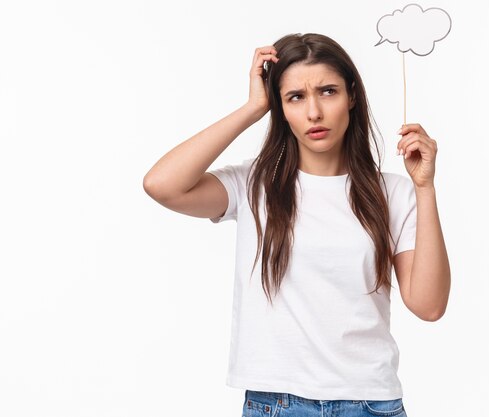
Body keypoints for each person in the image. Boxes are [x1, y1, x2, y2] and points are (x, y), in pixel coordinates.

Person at [143, 33, 450, 417]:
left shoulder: (394, 193)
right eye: (295, 97)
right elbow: (161, 185)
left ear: (352, 96)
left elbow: (429, 305)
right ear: (280, 107)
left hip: (371, 403)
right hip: (276, 403)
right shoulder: (252, 185)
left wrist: (425, 187)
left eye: (328, 91)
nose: (314, 113)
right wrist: (253, 108)